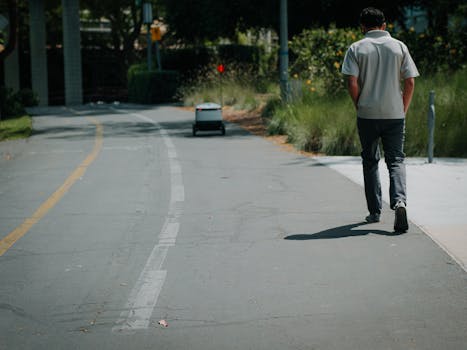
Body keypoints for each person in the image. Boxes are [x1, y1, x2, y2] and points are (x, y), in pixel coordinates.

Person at [341, 7, 419, 233]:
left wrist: (359, 105)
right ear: (384, 26)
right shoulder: (399, 46)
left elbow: (352, 82)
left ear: (362, 27)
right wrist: (402, 108)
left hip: (367, 114)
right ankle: (400, 202)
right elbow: (410, 81)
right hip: (395, 113)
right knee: (396, 160)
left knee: (370, 160)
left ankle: (375, 211)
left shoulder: (356, 48)